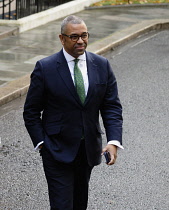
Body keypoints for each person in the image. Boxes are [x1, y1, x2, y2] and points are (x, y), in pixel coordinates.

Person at [23, 15, 123, 210]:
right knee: (62, 205)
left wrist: (113, 141)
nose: (81, 41)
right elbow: (31, 111)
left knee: (79, 203)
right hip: (56, 150)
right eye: (74, 36)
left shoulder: (101, 65)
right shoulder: (46, 68)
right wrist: (42, 144)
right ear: (62, 38)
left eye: (84, 35)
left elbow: (111, 106)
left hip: (87, 151)